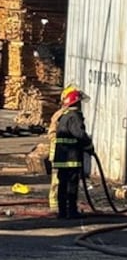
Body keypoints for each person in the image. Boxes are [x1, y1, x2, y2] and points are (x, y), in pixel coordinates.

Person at [51, 87, 93, 220]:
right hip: (71, 157)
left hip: (62, 157)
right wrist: (89, 146)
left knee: (62, 184)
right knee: (71, 184)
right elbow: (80, 135)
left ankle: (62, 211)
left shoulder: (64, 117)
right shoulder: (74, 117)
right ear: (77, 103)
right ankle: (72, 211)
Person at [46, 84, 79, 212]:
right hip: (60, 153)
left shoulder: (66, 114)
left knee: (61, 181)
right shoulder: (62, 115)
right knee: (58, 181)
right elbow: (52, 134)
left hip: (62, 153)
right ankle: (56, 206)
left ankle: (61, 207)